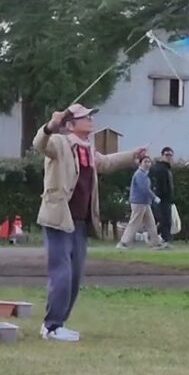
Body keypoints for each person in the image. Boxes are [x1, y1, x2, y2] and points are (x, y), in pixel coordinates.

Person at [34, 104, 146, 342]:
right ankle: (51, 326)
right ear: (70, 124)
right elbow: (40, 144)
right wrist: (51, 126)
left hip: (79, 222)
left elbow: (106, 162)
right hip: (58, 218)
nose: (90, 119)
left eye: (90, 116)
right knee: (62, 274)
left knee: (74, 276)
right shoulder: (59, 143)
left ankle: (57, 324)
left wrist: (132, 155)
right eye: (84, 117)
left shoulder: (87, 149)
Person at [118, 156, 168, 250]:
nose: (147, 164)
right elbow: (144, 189)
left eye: (149, 162)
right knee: (134, 223)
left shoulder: (144, 174)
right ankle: (123, 243)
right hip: (138, 202)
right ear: (140, 163)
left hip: (145, 203)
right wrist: (154, 197)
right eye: (145, 162)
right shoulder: (140, 174)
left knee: (151, 223)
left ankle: (155, 243)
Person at [148, 147, 175, 243]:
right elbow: (159, 185)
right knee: (164, 220)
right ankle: (164, 239)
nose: (169, 157)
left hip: (166, 199)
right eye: (167, 155)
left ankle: (159, 238)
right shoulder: (160, 169)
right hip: (161, 199)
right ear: (162, 156)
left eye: (170, 155)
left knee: (165, 220)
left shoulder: (167, 169)